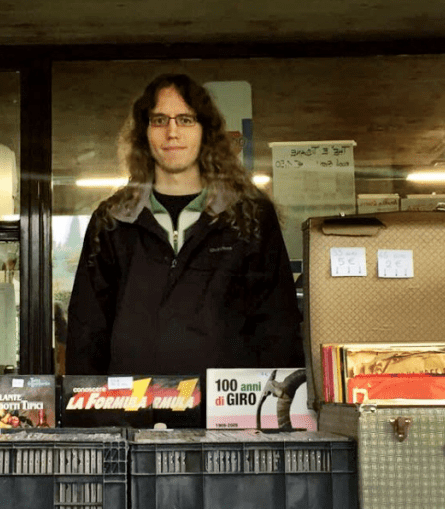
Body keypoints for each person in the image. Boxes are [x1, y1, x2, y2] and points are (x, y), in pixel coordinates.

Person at [65, 74, 304, 376]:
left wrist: (273, 401)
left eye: (186, 120)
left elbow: (277, 326)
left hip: (225, 404)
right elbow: (87, 331)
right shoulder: (112, 221)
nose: (172, 132)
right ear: (144, 133)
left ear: (205, 131)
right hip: (133, 401)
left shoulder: (250, 217)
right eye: (159, 120)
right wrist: (87, 402)